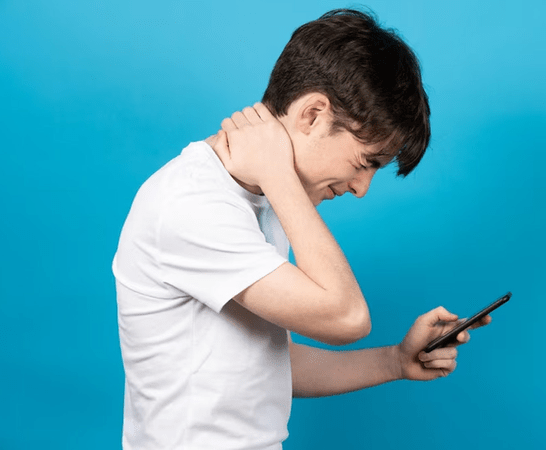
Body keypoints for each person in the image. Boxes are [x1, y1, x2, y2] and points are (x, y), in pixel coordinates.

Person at [113, 8, 491, 450]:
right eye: (365, 162)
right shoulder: (193, 203)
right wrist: (278, 176)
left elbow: (267, 364)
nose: (362, 188)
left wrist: (394, 361)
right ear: (312, 115)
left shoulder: (263, 197)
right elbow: (347, 318)